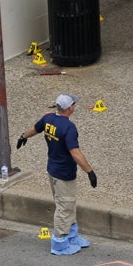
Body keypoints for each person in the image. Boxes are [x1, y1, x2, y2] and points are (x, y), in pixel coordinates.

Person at [15, 93, 98, 255]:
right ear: (69, 108)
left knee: (68, 204)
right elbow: (75, 152)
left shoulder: (48, 119)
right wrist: (90, 172)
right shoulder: (69, 128)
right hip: (64, 174)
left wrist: (23, 136)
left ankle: (72, 236)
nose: (74, 106)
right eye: (73, 104)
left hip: (52, 169)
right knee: (64, 208)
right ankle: (59, 243)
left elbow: (35, 129)